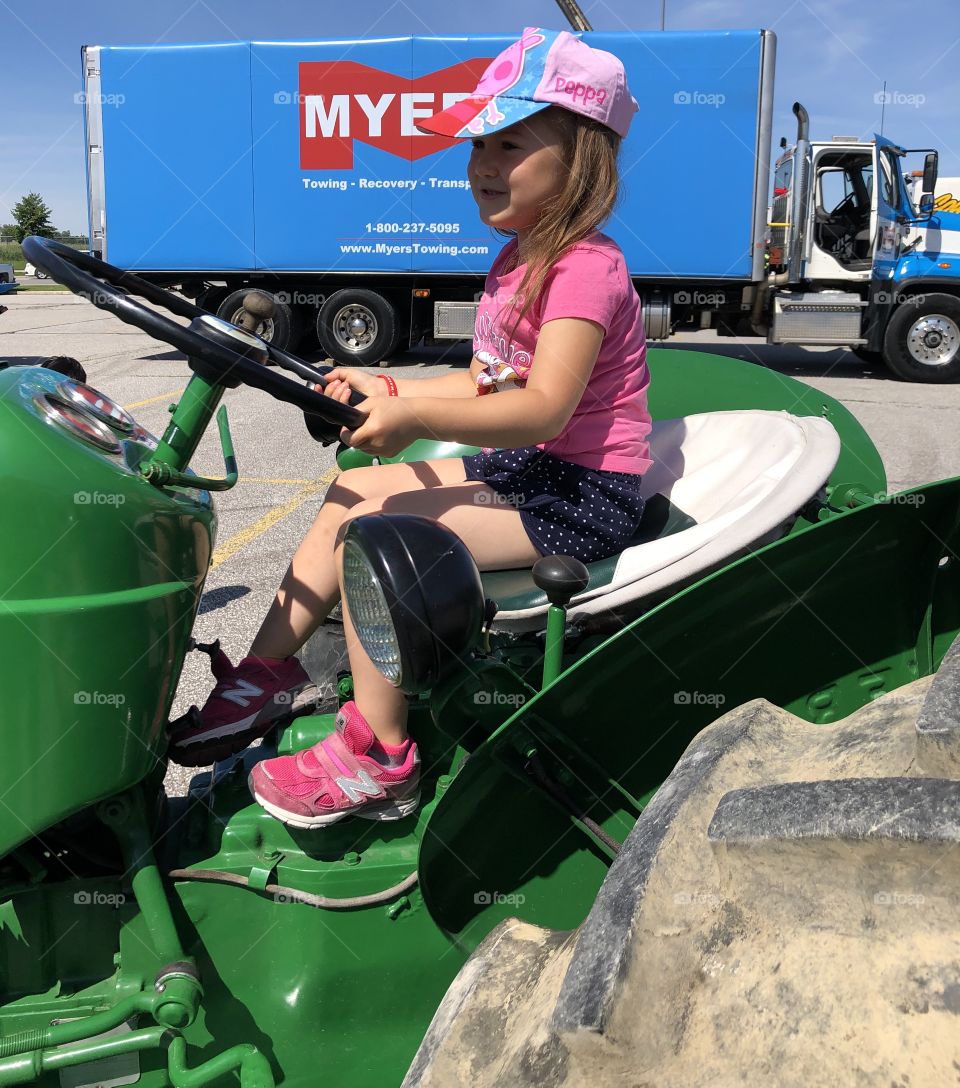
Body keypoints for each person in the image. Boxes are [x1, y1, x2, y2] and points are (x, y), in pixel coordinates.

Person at [168, 26, 652, 829]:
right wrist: (390, 384)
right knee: (352, 490)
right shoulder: (516, 262)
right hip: (529, 472)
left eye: (508, 144)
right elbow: (491, 380)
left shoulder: (583, 269)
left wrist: (416, 415)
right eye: (477, 146)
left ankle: (380, 757)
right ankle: (262, 678)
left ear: (581, 161)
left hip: (581, 494)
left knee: (376, 534)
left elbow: (543, 408)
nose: (482, 164)